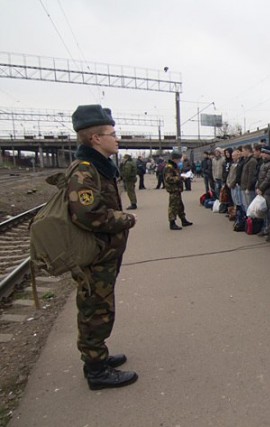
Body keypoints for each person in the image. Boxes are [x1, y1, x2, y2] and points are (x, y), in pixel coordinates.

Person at [69, 104, 138, 389]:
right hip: (95, 253)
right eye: (112, 133)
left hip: (104, 252)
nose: (117, 138)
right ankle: (96, 370)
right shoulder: (85, 171)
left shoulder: (96, 167)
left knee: (100, 306)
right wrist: (125, 218)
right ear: (96, 138)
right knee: (95, 308)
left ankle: (98, 355)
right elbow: (87, 214)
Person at [164, 151, 193, 230]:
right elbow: (169, 179)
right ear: (174, 159)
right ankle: (172, 223)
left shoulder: (174, 166)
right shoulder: (169, 167)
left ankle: (183, 220)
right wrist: (180, 178)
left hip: (177, 189)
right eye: (179, 159)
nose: (180, 160)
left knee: (180, 206)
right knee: (173, 206)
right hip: (173, 189)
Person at [255, 147, 270, 238]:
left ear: (268, 154)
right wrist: (259, 187)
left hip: (269, 192)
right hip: (264, 192)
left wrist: (260, 188)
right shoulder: (264, 164)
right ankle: (266, 229)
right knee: (265, 211)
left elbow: (269, 179)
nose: (262, 155)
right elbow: (260, 178)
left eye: (264, 153)